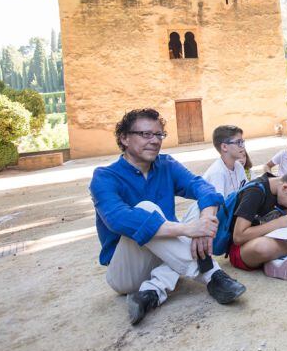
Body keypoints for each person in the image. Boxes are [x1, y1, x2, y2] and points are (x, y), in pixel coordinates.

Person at [89, 109, 246, 325]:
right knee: (147, 208)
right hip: (127, 272)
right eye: (146, 134)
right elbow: (118, 219)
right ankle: (213, 276)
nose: (154, 141)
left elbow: (202, 187)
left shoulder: (166, 165)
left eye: (159, 135)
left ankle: (151, 293)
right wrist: (187, 230)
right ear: (124, 138)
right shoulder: (104, 176)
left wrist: (206, 222)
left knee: (203, 208)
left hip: (166, 256)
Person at [202, 125, 247, 198]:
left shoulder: (238, 166)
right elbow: (219, 206)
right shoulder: (217, 173)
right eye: (238, 142)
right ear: (224, 147)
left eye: (242, 142)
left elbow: (247, 192)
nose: (243, 146)